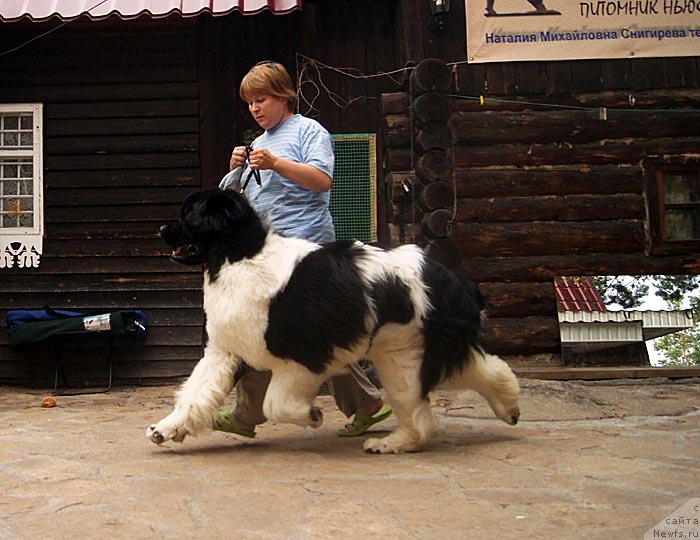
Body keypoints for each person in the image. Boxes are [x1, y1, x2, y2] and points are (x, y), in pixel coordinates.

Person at [214, 60, 392, 438]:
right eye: (249, 103)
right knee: (276, 332)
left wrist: (277, 164)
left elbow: (321, 181)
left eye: (261, 99)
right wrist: (232, 171)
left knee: (278, 332)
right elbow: (240, 199)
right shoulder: (258, 143)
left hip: (306, 250)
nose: (255, 109)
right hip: (268, 254)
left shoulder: (309, 131)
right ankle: (364, 403)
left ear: (283, 96)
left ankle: (248, 415)